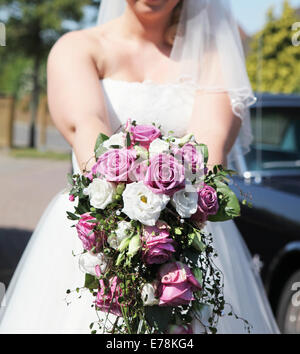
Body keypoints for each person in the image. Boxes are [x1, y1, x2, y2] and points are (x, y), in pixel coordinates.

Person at [0, 0, 279, 333]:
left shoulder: (213, 60)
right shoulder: (78, 49)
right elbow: (87, 129)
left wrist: (165, 226)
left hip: (191, 230)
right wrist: (124, 219)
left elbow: (210, 145)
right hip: (97, 230)